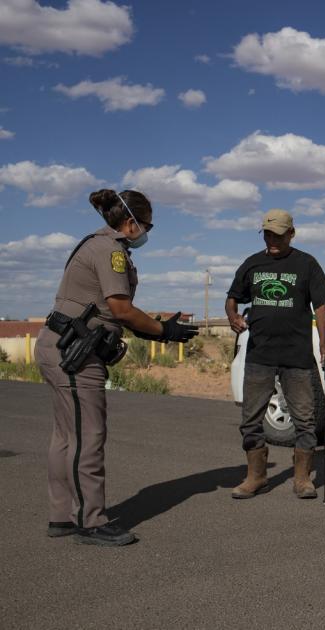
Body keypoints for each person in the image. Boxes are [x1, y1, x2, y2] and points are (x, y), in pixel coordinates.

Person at [35, 189, 199, 546]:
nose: (147, 233)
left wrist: (151, 330)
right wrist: (163, 330)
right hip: (75, 353)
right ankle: (90, 522)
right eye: (148, 225)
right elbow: (120, 308)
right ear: (131, 223)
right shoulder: (111, 251)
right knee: (88, 436)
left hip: (63, 345)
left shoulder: (95, 244)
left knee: (66, 436)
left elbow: (107, 311)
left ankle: (62, 516)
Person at [226, 209, 325, 500]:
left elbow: (321, 306)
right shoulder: (253, 263)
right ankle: (256, 476)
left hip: (296, 357)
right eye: (267, 234)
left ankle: (302, 479)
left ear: (291, 234)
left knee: (305, 420)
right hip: (260, 355)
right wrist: (232, 316)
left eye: (278, 234)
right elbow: (232, 297)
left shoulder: (306, 263)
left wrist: (324, 344)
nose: (272, 239)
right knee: (250, 420)